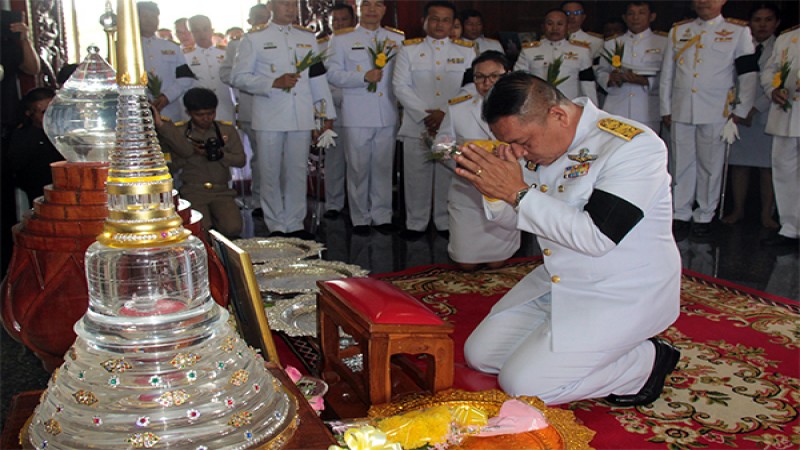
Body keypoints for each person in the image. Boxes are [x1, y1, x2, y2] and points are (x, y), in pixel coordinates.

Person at [455, 72, 681, 406]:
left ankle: (646, 363)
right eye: (511, 145)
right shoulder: (544, 142)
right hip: (559, 281)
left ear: (558, 115)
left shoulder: (633, 147)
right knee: (481, 355)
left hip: (620, 291)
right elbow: (513, 220)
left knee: (523, 387)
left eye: (524, 142)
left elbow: (598, 236)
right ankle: (566, 348)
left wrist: (516, 192)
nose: (519, 153)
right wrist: (492, 188)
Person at [230, 0, 336, 239]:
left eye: (292, 5)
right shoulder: (254, 39)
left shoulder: (307, 38)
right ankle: (276, 223)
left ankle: (296, 221)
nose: (289, 9)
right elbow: (238, 76)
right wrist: (271, 83)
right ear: (271, 7)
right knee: (270, 171)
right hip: (270, 115)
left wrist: (326, 114)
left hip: (300, 114)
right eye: (284, 4)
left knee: (297, 169)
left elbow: (317, 78)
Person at [660, 0, 758, 239]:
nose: (704, 2)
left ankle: (704, 214)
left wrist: (741, 109)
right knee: (680, 163)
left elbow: (747, 74)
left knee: (710, 164)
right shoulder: (679, 31)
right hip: (682, 107)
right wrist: (665, 107)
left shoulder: (738, 31)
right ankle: (680, 213)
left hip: (717, 110)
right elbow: (668, 73)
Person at [393, 0, 475, 239]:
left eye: (446, 20)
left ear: (453, 24)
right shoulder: (408, 49)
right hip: (416, 124)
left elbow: (469, 87)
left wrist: (443, 114)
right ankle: (415, 223)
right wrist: (426, 115)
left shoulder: (466, 50)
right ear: (424, 21)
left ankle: (444, 222)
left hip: (450, 124)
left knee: (447, 174)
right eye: (435, 19)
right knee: (415, 175)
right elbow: (400, 86)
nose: (440, 24)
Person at [436, 51, 524, 270]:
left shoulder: (521, 107)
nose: (487, 83)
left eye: (494, 76)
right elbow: (439, 146)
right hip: (467, 192)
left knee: (498, 264)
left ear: (508, 75)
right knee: (465, 263)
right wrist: (461, 158)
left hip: (505, 191)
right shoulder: (458, 108)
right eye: (479, 77)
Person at [326, 0, 403, 235]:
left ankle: (382, 215)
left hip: (387, 111)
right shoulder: (341, 39)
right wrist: (362, 77)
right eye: (366, 4)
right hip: (357, 112)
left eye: (377, 5)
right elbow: (332, 73)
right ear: (358, 8)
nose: (371, 9)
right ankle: (359, 216)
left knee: (382, 166)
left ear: (384, 10)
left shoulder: (397, 39)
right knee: (358, 167)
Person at [154, 87, 245, 238]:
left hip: (221, 191)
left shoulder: (226, 131)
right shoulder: (179, 134)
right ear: (189, 113)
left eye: (210, 113)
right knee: (200, 229)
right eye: (200, 115)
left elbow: (241, 161)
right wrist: (190, 154)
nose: (206, 118)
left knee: (233, 228)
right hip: (193, 191)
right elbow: (169, 167)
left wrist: (221, 154)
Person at [721, 3, 780, 229]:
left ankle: (767, 213)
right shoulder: (739, 42)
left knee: (767, 167)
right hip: (737, 112)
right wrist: (739, 110)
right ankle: (737, 209)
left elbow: (775, 83)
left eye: (767, 20)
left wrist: (753, 109)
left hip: (766, 112)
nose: (762, 25)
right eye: (757, 20)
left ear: (776, 23)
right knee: (740, 164)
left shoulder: (781, 46)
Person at [220, 3, 270, 213]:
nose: (261, 21)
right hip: (252, 108)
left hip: (283, 109)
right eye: (257, 17)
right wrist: (249, 81)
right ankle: (259, 200)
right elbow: (226, 74)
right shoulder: (237, 45)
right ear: (249, 21)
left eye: (265, 17)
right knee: (261, 158)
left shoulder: (285, 42)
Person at [595, 1, 666, 132]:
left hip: (647, 109)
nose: (636, 18)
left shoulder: (663, 43)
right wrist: (610, 80)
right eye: (631, 14)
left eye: (641, 13)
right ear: (624, 17)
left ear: (652, 16)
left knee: (645, 150)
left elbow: (667, 75)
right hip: (616, 107)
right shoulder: (612, 43)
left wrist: (647, 81)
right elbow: (601, 71)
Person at [759, 24, 799, 249]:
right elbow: (770, 70)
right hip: (786, 114)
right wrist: (772, 89)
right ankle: (790, 228)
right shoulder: (787, 38)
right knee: (784, 172)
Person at [318, 2, 356, 222]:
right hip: (331, 108)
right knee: (334, 158)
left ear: (353, 21)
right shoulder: (321, 45)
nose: (339, 24)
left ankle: (356, 203)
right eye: (335, 21)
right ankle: (334, 203)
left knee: (358, 160)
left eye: (344, 20)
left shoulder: (360, 41)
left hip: (358, 108)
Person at [515, 9, 597, 104]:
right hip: (537, 104)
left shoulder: (582, 51)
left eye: (560, 24)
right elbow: (519, 80)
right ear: (543, 26)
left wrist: (592, 108)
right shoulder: (529, 50)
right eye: (550, 24)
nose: (554, 28)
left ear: (567, 26)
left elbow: (587, 83)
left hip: (569, 104)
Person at [138, 2, 194, 122]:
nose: (149, 21)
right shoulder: (125, 48)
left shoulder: (171, 47)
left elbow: (185, 77)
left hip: (169, 111)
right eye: (145, 17)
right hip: (138, 112)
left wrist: (166, 97)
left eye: (153, 17)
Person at [8, 87, 63, 207]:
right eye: (44, 112)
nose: (50, 116)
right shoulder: (24, 137)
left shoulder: (65, 131)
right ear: (29, 113)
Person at [185, 15, 235, 122]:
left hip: (224, 107)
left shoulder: (226, 53)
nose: (202, 34)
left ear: (212, 30)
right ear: (191, 33)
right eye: (196, 30)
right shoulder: (185, 56)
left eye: (205, 29)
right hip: (198, 111)